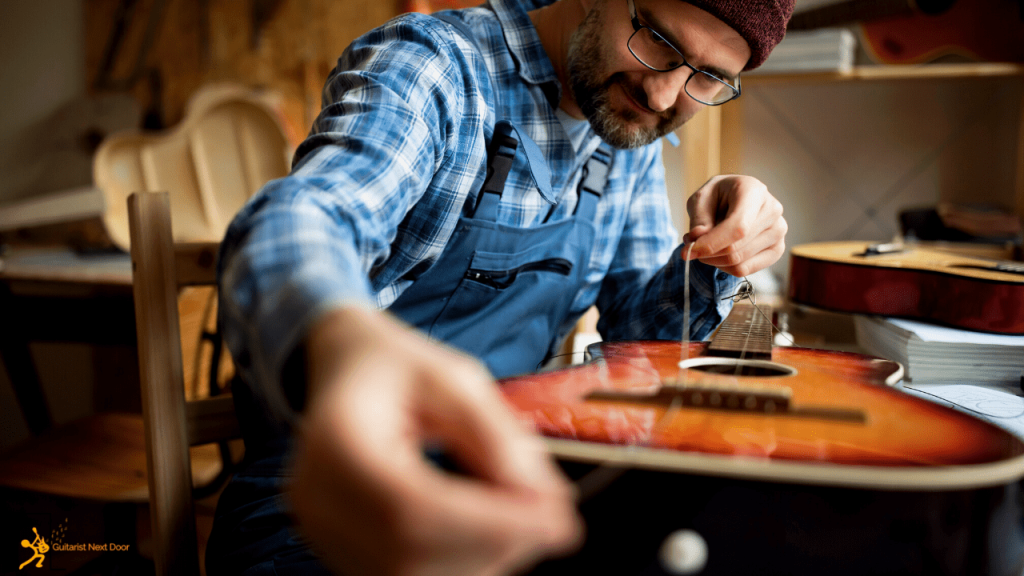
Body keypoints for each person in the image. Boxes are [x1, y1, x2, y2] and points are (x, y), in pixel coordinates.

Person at [206, 0, 794, 574]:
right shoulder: (438, 68)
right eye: (660, 42)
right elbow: (302, 218)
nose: (665, 95)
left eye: (710, 77)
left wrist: (716, 257)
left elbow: (638, 346)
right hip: (329, 500)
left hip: (511, 485)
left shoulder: (626, 131)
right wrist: (341, 343)